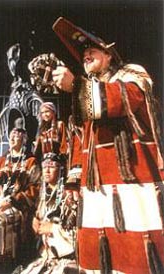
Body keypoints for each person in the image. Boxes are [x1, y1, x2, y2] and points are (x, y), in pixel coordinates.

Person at [50, 17, 164, 274]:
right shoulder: (88, 92)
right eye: (83, 53)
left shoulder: (133, 74)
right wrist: (72, 183)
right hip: (94, 188)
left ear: (110, 54)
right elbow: (80, 139)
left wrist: (76, 86)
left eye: (92, 49)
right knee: (94, 258)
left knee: (135, 255)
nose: (85, 55)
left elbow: (119, 100)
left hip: (132, 182)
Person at [0, 117, 40, 273]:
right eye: (11, 134)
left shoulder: (31, 162)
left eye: (18, 134)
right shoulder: (0, 161)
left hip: (17, 206)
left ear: (24, 138)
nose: (13, 137)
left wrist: (12, 200)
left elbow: (36, 189)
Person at [21, 152, 78, 274]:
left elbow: (77, 232)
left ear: (61, 169)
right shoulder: (42, 195)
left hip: (66, 258)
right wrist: (34, 222)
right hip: (45, 257)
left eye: (52, 166)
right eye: (45, 166)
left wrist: (53, 228)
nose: (47, 170)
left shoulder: (69, 195)